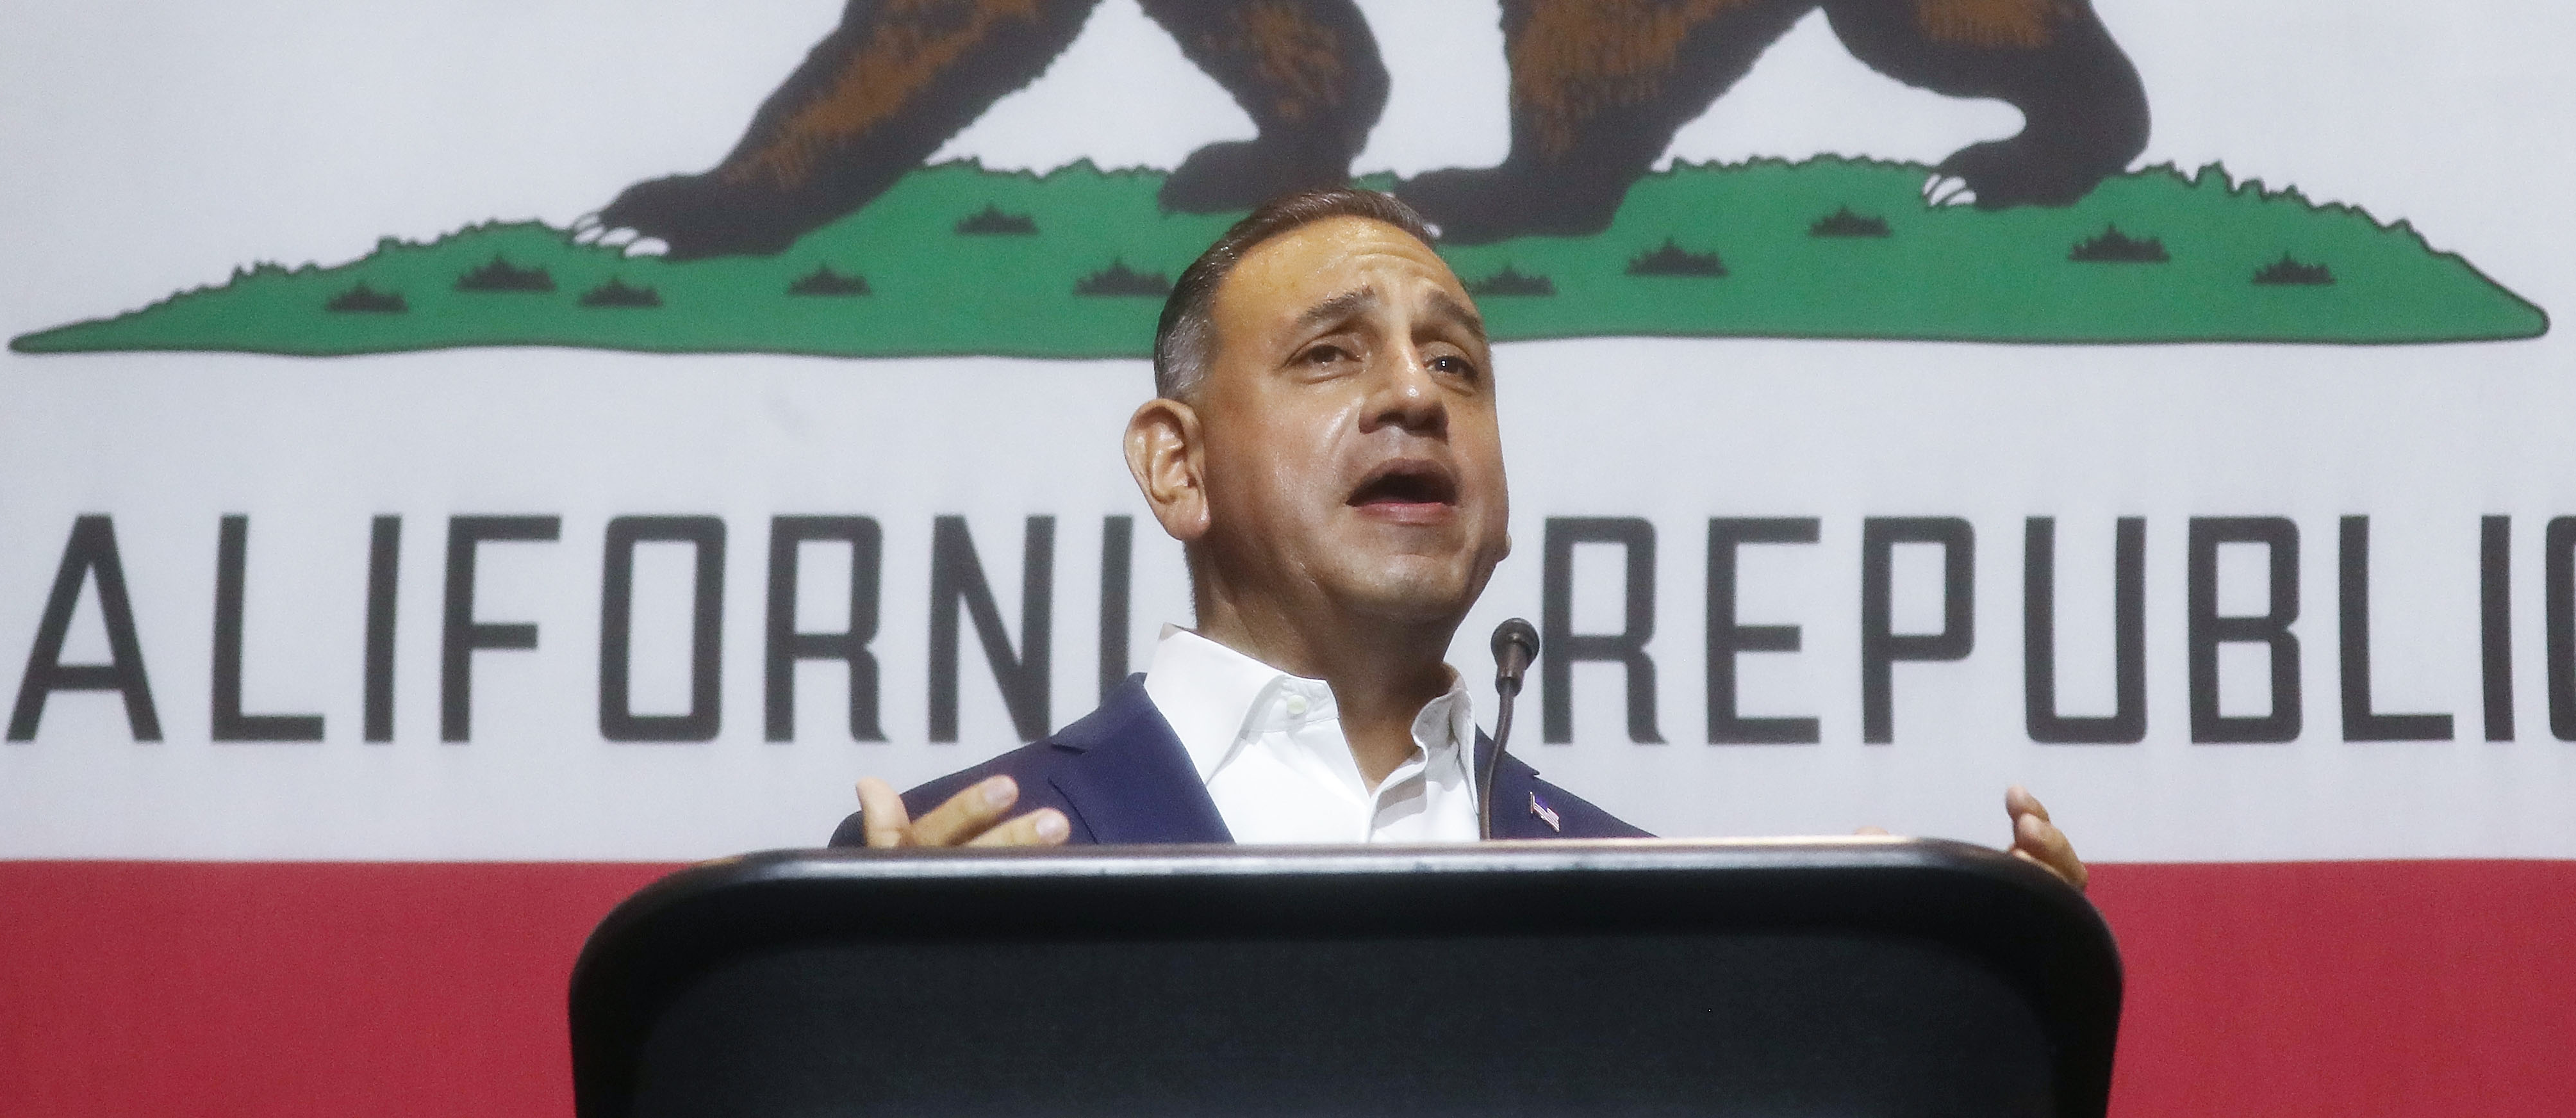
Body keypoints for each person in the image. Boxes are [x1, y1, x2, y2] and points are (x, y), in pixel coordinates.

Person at [834, 186, 2087, 890]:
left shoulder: (1664, 906)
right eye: (1330, 355)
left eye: (1456, 363)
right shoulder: (945, 874)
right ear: (1178, 463)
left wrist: (1965, 1014)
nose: (1417, 396)